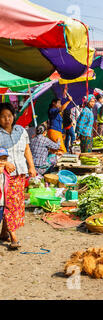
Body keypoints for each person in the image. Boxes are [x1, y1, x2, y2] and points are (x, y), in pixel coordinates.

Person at [0, 103, 36, 250]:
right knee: (10, 204)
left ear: (14, 116)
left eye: (9, 115)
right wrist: (3, 162)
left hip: (20, 173)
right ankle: (13, 236)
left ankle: (4, 232)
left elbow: (27, 149)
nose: (6, 119)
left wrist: (31, 166)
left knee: (17, 203)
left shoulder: (21, 131)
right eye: (2, 116)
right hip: (4, 176)